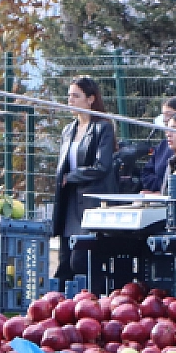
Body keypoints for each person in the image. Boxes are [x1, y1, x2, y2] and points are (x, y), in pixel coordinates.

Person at [51, 75, 117, 282]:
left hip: (91, 204)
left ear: (91, 99)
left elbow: (102, 166)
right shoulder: (68, 130)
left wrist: (72, 176)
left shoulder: (103, 128)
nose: (70, 100)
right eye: (69, 96)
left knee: (80, 262)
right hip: (68, 203)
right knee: (64, 264)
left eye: (76, 96)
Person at [140, 95, 176, 192]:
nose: (165, 119)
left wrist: (165, 191)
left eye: (169, 115)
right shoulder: (165, 148)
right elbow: (146, 174)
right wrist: (162, 189)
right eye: (163, 115)